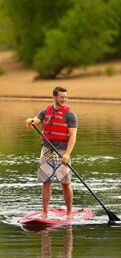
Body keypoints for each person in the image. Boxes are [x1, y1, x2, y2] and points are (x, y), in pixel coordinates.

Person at [25, 87, 78, 219]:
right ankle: (45, 212)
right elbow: (34, 122)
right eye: (61, 97)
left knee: (65, 183)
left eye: (66, 97)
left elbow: (73, 136)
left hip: (62, 151)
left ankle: (69, 212)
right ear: (54, 97)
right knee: (46, 181)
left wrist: (67, 154)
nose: (64, 99)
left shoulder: (70, 114)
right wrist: (30, 121)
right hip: (47, 150)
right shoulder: (45, 111)